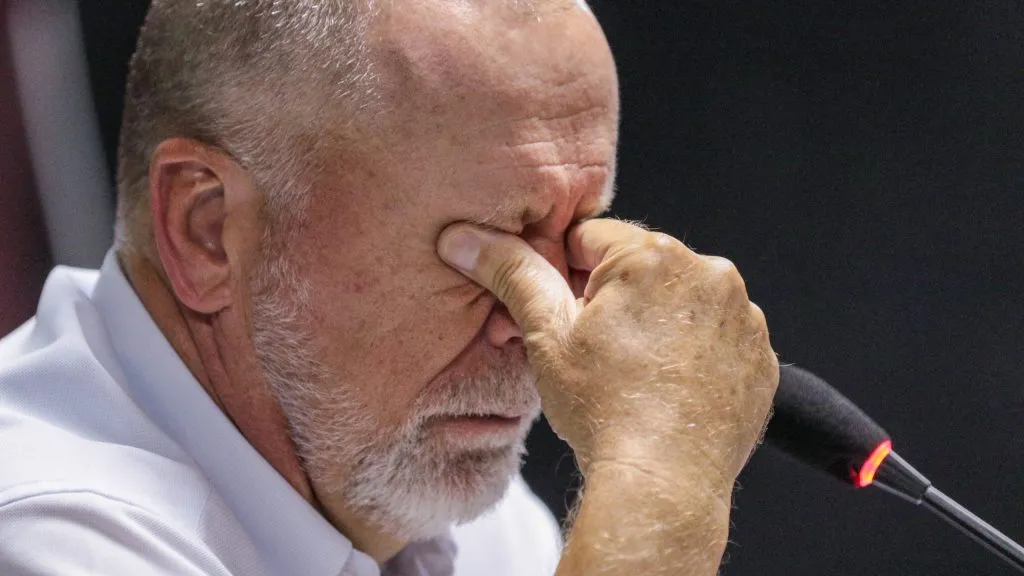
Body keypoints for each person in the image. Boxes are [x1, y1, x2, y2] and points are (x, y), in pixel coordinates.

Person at [0, 1, 778, 575]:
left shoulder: (462, 526)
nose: (545, 326)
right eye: (481, 248)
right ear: (207, 229)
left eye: (571, 241)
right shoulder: (44, 530)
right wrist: (655, 484)